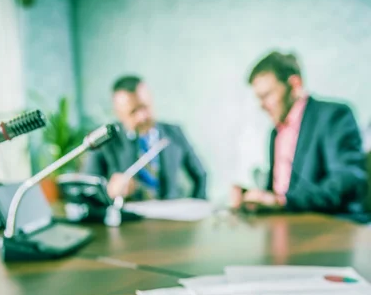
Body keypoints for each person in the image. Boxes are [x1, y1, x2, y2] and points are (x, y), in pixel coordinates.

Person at [232, 51, 367, 214]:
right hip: (285, 225)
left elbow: (345, 182)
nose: (261, 105)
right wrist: (252, 197)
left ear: (295, 84)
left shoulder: (333, 116)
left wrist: (282, 201)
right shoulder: (275, 132)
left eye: (266, 95)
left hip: (327, 226)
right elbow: (277, 191)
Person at [81, 76, 207, 201]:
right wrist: (108, 190)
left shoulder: (174, 133)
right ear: (118, 113)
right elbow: (87, 189)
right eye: (133, 112)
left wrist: (197, 206)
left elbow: (200, 175)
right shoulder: (105, 141)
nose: (142, 117)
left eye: (144, 107)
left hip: (171, 217)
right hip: (128, 219)